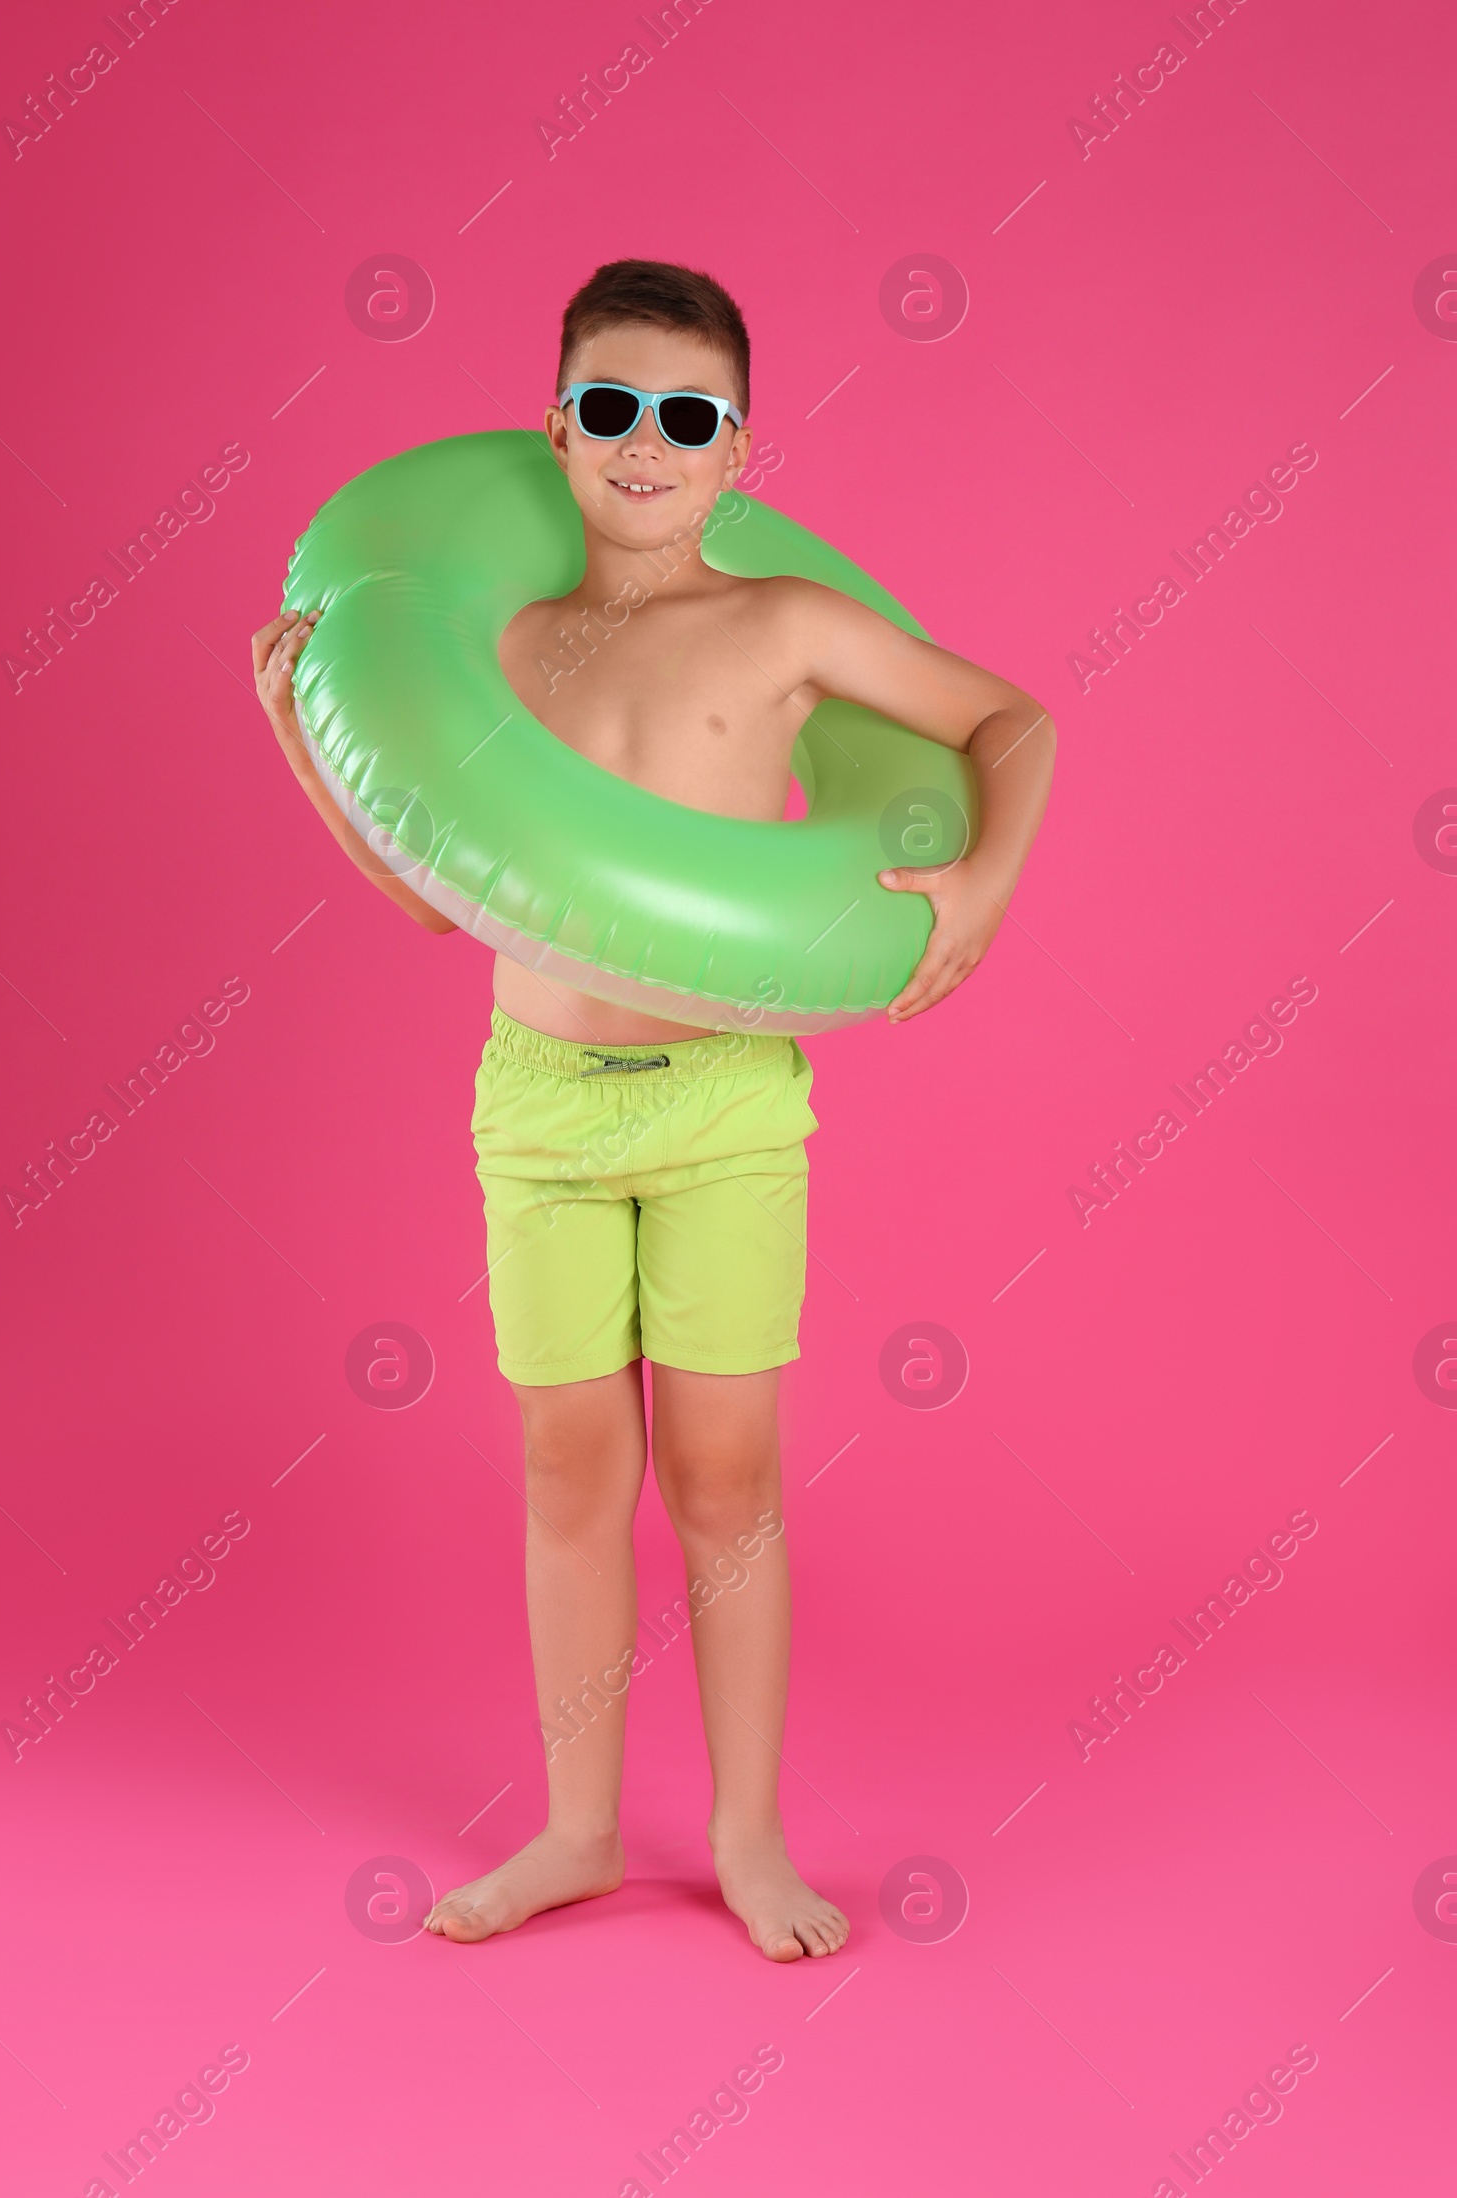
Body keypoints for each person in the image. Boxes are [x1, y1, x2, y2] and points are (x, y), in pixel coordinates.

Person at [252, 258, 1054, 1961]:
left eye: (684, 418)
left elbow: (1008, 717)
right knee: (564, 1464)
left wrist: (978, 885)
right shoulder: (510, 649)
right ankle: (575, 1828)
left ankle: (753, 1838)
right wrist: (305, 744)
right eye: (609, 408)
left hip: (724, 1099)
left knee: (723, 1467)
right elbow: (438, 902)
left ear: (737, 453)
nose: (643, 444)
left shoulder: (786, 627)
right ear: (556, 429)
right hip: (537, 1101)